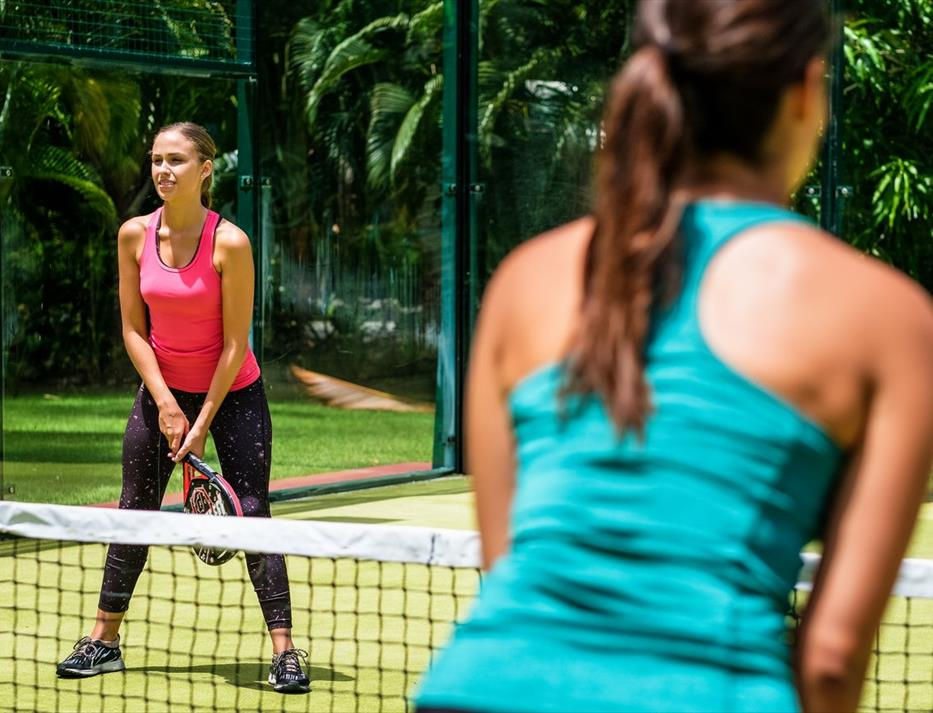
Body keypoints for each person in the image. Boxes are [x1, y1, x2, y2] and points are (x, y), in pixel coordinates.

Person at [416, 1, 933, 711]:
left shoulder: (525, 281)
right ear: (807, 89)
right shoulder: (891, 318)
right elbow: (831, 659)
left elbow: (508, 566)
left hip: (481, 687)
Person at [55, 122, 310, 693]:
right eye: (156, 160)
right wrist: (168, 406)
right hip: (162, 393)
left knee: (251, 515)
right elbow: (132, 329)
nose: (163, 171)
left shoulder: (231, 243)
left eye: (176, 160)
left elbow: (235, 343)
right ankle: (103, 641)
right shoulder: (132, 236)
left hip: (234, 393)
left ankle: (286, 652)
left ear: (205, 169)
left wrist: (202, 421)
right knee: (133, 513)